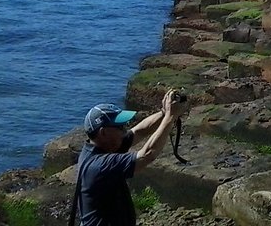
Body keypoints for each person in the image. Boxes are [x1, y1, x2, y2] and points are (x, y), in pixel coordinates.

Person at [75, 89, 187, 226]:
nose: (124, 130)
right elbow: (147, 154)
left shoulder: (103, 147)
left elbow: (139, 131)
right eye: (120, 127)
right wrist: (170, 117)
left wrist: (164, 112)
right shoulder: (99, 165)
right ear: (103, 133)